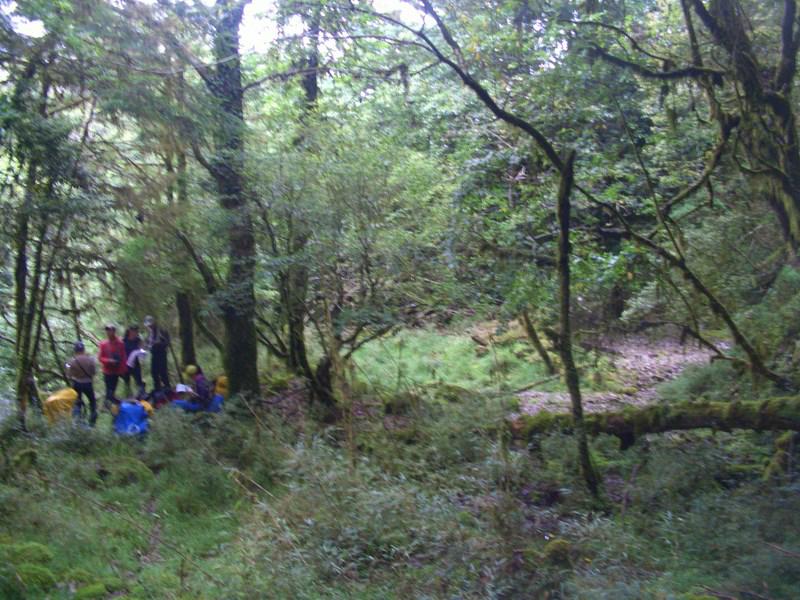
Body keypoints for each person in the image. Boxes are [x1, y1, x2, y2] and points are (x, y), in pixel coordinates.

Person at [65, 341, 97, 425]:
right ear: (84, 349)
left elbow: (69, 375)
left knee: (77, 403)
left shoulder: (72, 361)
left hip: (77, 384)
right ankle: (92, 420)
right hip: (88, 383)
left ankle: (77, 422)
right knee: (92, 402)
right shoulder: (90, 360)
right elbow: (93, 372)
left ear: (75, 350)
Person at [98, 324, 127, 409]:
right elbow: (100, 358)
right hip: (107, 370)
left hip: (116, 370)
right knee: (108, 388)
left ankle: (110, 402)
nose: (108, 332)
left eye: (110, 330)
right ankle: (107, 404)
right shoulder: (103, 344)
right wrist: (109, 361)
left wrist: (123, 369)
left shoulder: (120, 343)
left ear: (114, 331)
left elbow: (123, 356)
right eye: (107, 331)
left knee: (113, 388)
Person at [144, 315, 170, 391]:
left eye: (150, 325)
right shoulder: (150, 332)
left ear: (153, 323)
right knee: (154, 372)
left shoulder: (161, 331)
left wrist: (159, 344)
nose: (149, 326)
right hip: (154, 354)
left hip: (161, 354)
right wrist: (146, 345)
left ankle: (167, 387)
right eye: (148, 325)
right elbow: (148, 343)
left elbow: (167, 342)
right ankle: (157, 388)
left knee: (163, 372)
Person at [122, 325, 146, 398]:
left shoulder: (138, 340)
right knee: (127, 381)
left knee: (139, 380)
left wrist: (142, 350)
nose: (135, 333)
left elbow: (142, 350)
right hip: (125, 364)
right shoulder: (124, 340)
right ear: (130, 331)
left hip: (136, 364)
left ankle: (142, 395)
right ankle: (128, 396)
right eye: (134, 331)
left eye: (136, 331)